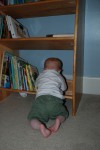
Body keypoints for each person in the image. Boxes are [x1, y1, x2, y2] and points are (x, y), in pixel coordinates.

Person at [27, 57, 69, 138]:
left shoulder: (40, 75)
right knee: (63, 113)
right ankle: (58, 120)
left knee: (33, 118)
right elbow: (64, 88)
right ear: (59, 70)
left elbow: (36, 86)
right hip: (55, 101)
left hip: (40, 100)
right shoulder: (59, 76)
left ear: (44, 69)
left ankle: (40, 126)